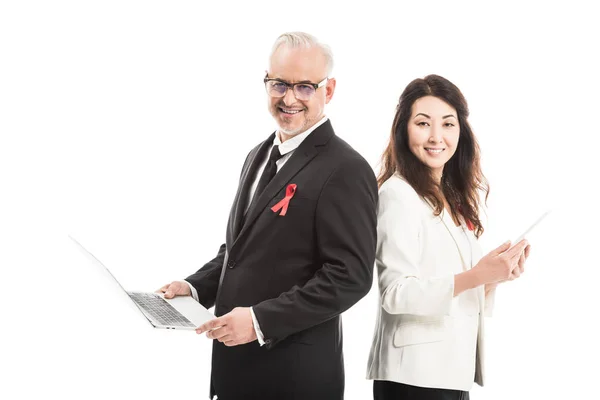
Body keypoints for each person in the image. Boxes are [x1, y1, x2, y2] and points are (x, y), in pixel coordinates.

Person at [158, 32, 378, 400]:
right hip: (235, 371)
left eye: (305, 87)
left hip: (293, 379)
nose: (289, 98)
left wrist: (261, 322)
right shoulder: (258, 155)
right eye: (279, 84)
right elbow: (241, 249)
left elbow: (350, 277)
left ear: (330, 89)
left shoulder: (346, 169)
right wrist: (194, 288)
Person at [366, 74, 531, 400]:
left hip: (450, 372)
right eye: (423, 123)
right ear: (404, 129)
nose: (436, 136)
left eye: (448, 124)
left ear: (461, 131)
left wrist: (493, 279)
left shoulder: (450, 195)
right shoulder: (397, 195)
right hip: (413, 377)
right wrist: (476, 276)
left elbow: (454, 286)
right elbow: (396, 293)